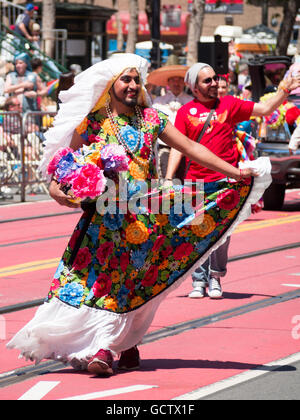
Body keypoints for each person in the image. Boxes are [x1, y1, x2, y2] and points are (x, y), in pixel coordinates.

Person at [7, 53, 268, 377]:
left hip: (142, 220)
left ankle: (113, 346)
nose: (132, 85)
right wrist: (56, 189)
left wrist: (235, 171)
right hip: (101, 221)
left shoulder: (151, 119)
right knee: (96, 284)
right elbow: (65, 163)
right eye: (125, 80)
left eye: (135, 80)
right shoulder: (93, 121)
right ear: (110, 85)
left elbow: (190, 147)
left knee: (130, 282)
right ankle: (115, 346)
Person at [165, 62, 300, 299]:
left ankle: (215, 277)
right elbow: (178, 147)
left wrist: (284, 90)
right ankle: (198, 280)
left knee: (223, 233)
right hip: (194, 182)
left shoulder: (230, 104)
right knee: (195, 232)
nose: (215, 83)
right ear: (194, 87)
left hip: (226, 181)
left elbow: (266, 109)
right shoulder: (185, 112)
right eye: (207, 81)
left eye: (215, 79)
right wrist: (168, 178)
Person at [147, 65, 193, 178]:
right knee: (167, 181)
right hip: (165, 148)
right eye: (173, 80)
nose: (176, 83)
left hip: (188, 149)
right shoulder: (158, 103)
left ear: (184, 82)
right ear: (168, 83)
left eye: (180, 80)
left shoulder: (192, 102)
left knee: (186, 181)